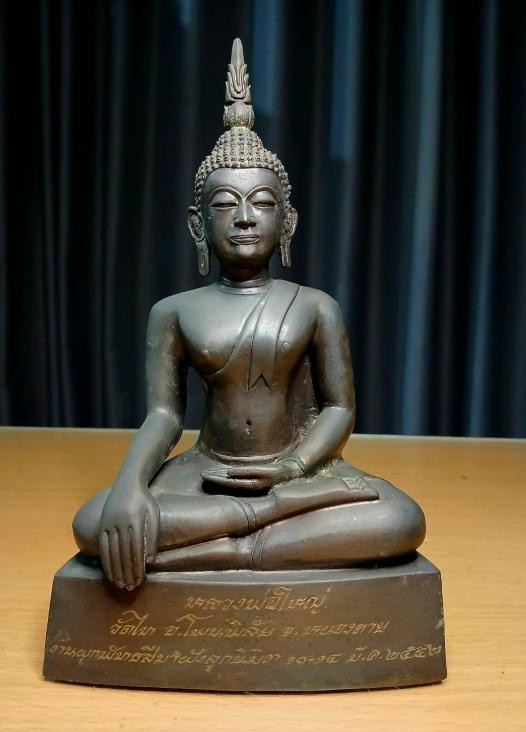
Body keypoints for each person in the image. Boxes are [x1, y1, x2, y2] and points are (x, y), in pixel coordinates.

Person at [73, 39, 425, 591]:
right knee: (95, 522)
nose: (243, 218)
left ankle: (222, 548)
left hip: (298, 472)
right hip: (207, 473)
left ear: (288, 221)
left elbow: (339, 409)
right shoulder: (173, 311)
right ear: (198, 224)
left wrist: (291, 469)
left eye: (261, 202)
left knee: (401, 518)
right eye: (224, 205)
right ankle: (257, 529)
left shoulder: (314, 306)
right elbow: (163, 416)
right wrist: (129, 485)